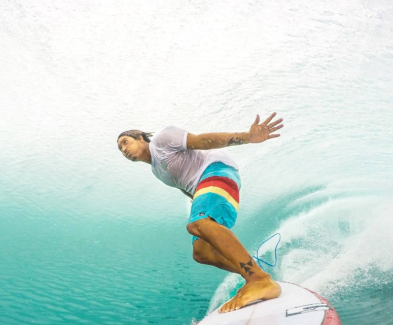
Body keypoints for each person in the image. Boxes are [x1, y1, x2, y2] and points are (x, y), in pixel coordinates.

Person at [117, 113, 284, 313]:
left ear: (141, 138)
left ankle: (258, 279)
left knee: (198, 224)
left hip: (216, 170)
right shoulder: (156, 171)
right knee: (202, 253)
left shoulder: (162, 140)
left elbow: (202, 141)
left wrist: (247, 137)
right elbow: (184, 184)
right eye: (120, 149)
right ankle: (258, 275)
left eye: (125, 142)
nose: (124, 149)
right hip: (205, 187)